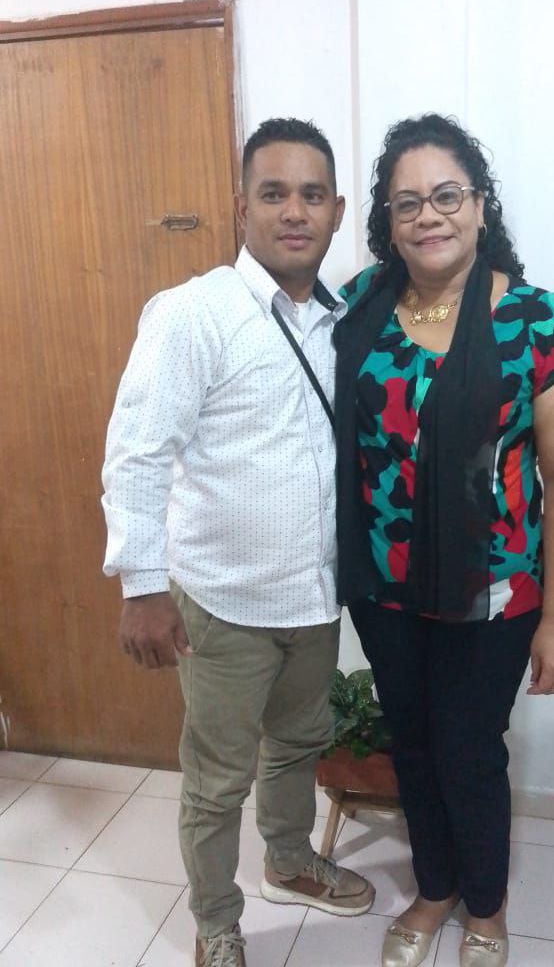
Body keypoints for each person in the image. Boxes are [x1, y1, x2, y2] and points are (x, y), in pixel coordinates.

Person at [102, 118, 374, 967]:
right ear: (240, 207)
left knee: (297, 746)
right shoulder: (195, 313)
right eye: (274, 193)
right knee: (217, 780)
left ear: (336, 213)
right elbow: (138, 452)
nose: (294, 211)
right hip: (221, 604)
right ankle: (217, 921)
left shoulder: (343, 321)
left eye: (312, 195)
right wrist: (142, 585)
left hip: (312, 596)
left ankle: (288, 861)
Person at [334, 114, 554, 967]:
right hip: (384, 586)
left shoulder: (533, 320)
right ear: (388, 219)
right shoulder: (362, 304)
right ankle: (435, 887)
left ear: (481, 206)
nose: (428, 216)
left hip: (494, 595)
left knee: (468, 751)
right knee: (411, 744)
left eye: (447, 195)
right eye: (407, 202)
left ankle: (486, 906)